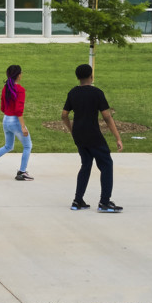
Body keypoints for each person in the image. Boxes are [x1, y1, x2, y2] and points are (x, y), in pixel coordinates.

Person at [61, 63, 122, 212]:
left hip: (79, 135)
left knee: (86, 165)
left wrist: (72, 130)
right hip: (93, 135)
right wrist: (118, 137)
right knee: (106, 165)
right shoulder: (97, 93)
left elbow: (64, 115)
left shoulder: (73, 93)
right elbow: (106, 116)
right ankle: (104, 202)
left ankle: (78, 200)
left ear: (77, 77)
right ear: (91, 76)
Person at [0, 64, 32, 180]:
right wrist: (23, 126)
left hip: (6, 120)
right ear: (18, 75)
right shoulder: (20, 90)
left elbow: (2, 107)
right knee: (28, 146)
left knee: (8, 146)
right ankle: (22, 172)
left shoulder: (6, 88)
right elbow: (19, 110)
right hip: (15, 121)